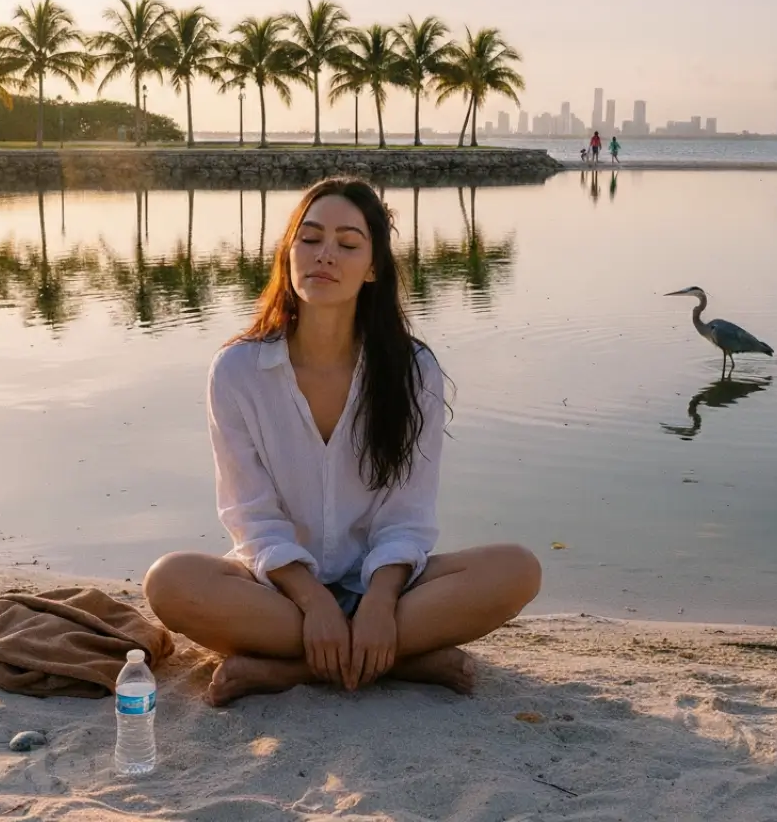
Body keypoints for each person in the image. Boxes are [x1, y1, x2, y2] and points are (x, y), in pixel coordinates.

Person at [145, 177, 541, 706]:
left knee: (517, 569)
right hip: (281, 592)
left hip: (390, 591)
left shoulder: (411, 371)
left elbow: (408, 516)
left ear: (373, 267)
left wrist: (378, 601)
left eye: (348, 244)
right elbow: (251, 516)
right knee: (169, 581)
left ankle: (291, 670)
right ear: (288, 253)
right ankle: (399, 661)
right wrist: (314, 603)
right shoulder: (239, 369)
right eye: (309, 240)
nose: (325, 255)